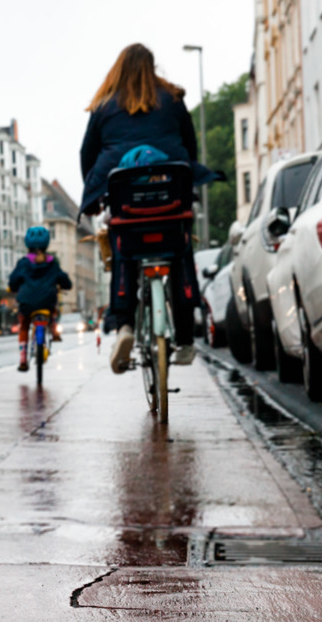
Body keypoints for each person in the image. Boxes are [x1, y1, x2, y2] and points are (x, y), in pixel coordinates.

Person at [78, 43, 218, 375]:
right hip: (172, 195)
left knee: (123, 251)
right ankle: (184, 339)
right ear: (152, 67)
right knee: (181, 254)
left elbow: (88, 155)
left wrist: (97, 194)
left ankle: (124, 325)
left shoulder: (104, 106)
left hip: (127, 201)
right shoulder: (172, 99)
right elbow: (189, 145)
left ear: (118, 69)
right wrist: (189, 181)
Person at [8, 227, 72, 373]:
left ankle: (23, 358)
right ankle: (53, 327)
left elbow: (13, 282)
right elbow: (66, 282)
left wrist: (13, 287)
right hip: (47, 302)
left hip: (27, 303)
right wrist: (64, 285)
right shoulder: (52, 263)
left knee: (24, 325)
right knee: (52, 307)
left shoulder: (23, 263)